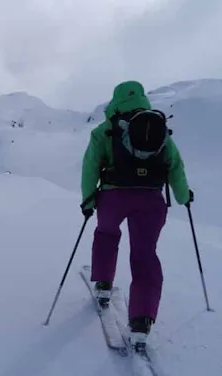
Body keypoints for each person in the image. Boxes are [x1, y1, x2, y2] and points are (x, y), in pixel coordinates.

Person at [80, 80, 193, 351]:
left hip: (113, 197)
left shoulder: (104, 131)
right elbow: (175, 166)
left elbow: (90, 166)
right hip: (151, 200)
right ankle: (142, 321)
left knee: (106, 234)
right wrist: (183, 196)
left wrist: (88, 200)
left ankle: (104, 284)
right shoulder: (159, 130)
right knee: (145, 254)